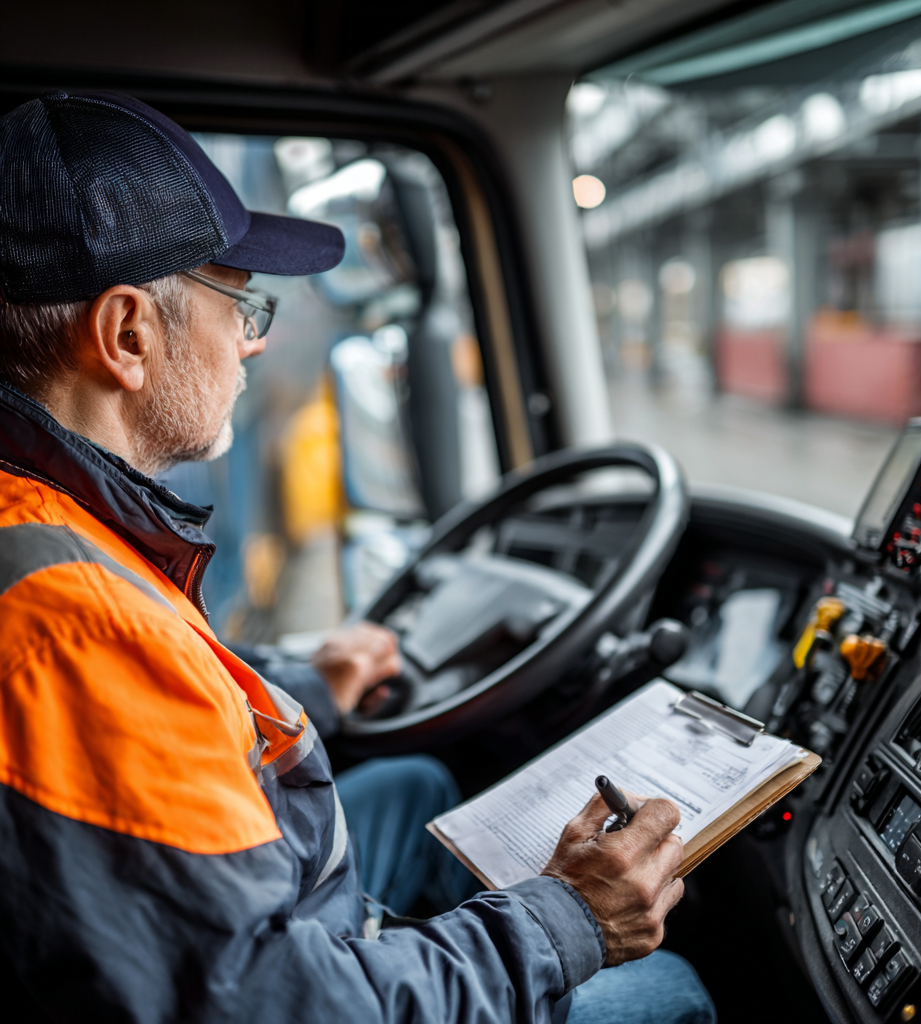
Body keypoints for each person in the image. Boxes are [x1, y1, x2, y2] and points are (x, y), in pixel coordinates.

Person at [0, 90, 714, 1024]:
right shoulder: (76, 631)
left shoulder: (53, 524)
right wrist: (566, 920)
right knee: (673, 993)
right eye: (240, 302)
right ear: (128, 334)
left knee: (417, 783)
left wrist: (308, 683)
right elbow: (271, 1005)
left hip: (256, 915)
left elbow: (147, 718)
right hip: (280, 980)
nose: (253, 341)